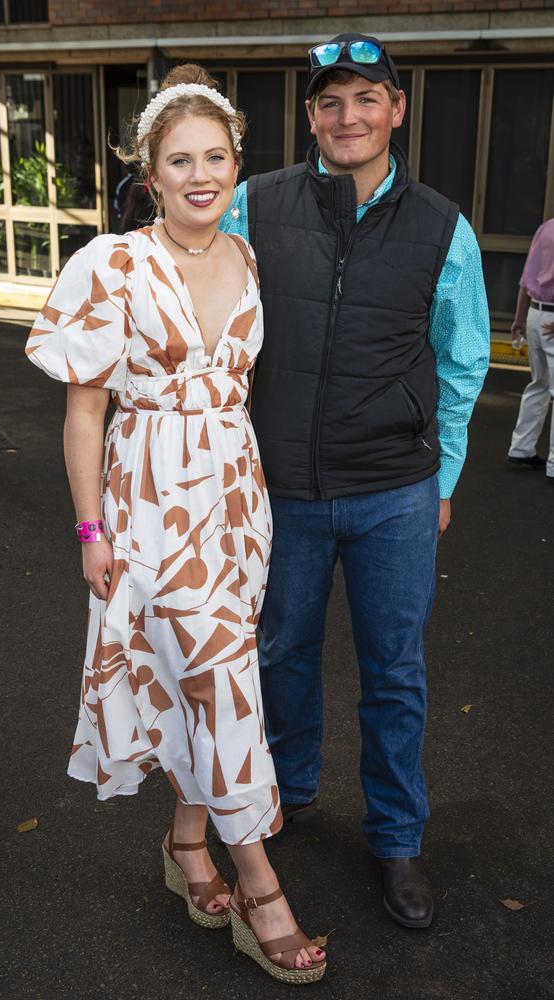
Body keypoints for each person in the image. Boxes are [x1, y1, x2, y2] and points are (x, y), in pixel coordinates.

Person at [25, 65, 326, 984]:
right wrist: (90, 533)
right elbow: (84, 413)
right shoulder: (110, 264)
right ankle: (261, 887)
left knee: (203, 678)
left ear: (237, 165)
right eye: (180, 160)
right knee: (221, 682)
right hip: (148, 500)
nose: (202, 175)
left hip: (236, 498)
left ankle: (187, 843)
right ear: (148, 173)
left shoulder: (248, 255)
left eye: (218, 158)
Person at [220, 32, 490, 928]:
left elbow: (464, 360)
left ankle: (398, 837)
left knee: (396, 674)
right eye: (330, 102)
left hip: (394, 494)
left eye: (366, 99)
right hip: (283, 490)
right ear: (309, 116)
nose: (348, 117)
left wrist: (441, 475)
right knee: (280, 655)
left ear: (396, 110)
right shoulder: (252, 205)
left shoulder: (443, 225)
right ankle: (288, 792)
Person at [507, 218, 554, 482]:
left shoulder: (546, 228)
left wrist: (519, 319)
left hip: (536, 314)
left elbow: (526, 278)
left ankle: (521, 448)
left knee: (539, 384)